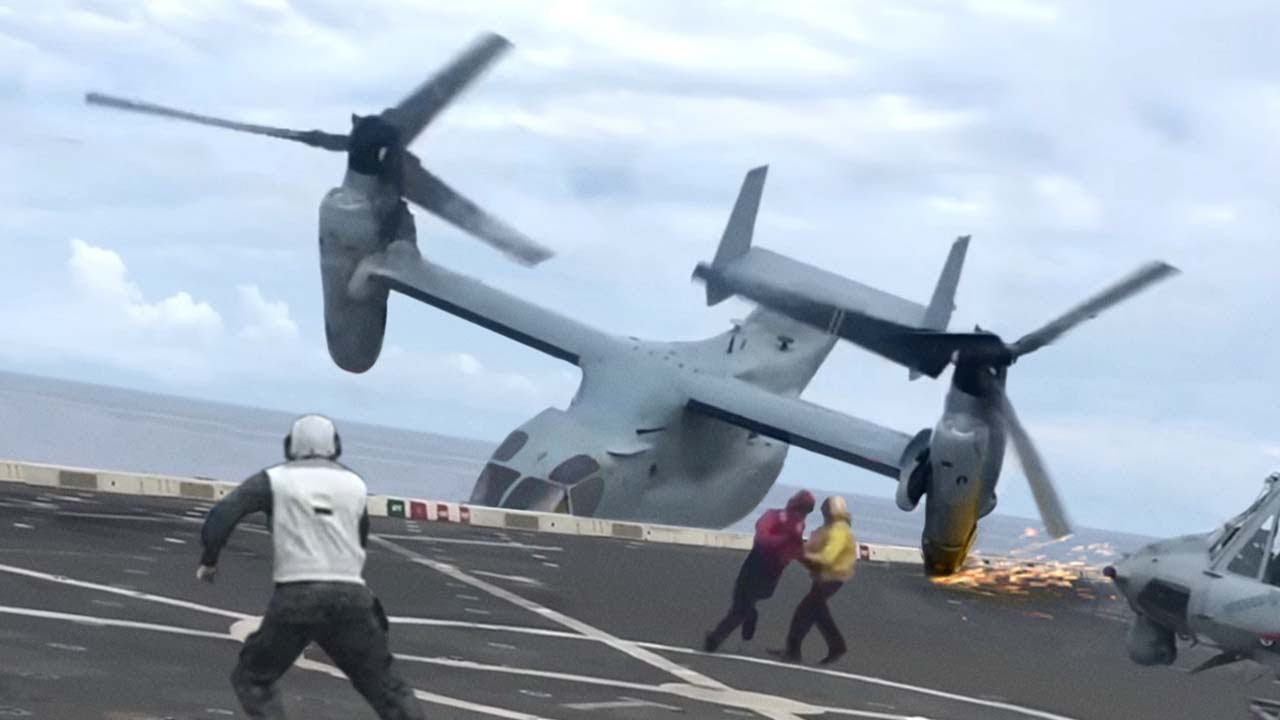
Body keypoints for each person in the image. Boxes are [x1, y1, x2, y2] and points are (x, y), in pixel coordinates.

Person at [196, 414, 424, 720]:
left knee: (252, 677)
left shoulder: (275, 480)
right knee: (388, 690)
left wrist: (209, 559)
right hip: (352, 597)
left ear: (291, 446)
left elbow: (223, 514)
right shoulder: (354, 485)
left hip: (297, 596)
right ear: (335, 447)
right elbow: (361, 536)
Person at [704, 489, 816, 653]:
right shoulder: (783, 521)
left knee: (741, 606)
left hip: (762, 567)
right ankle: (742, 630)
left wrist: (809, 563)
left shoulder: (787, 521)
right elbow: (766, 540)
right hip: (763, 566)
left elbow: (787, 548)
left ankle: (715, 639)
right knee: (743, 603)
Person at [771, 494, 855, 665]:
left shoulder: (839, 530)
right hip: (823, 577)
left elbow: (828, 557)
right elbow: (812, 547)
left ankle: (795, 651)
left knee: (805, 613)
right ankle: (835, 646)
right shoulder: (828, 528)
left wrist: (804, 554)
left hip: (832, 577)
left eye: (825, 509)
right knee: (817, 613)